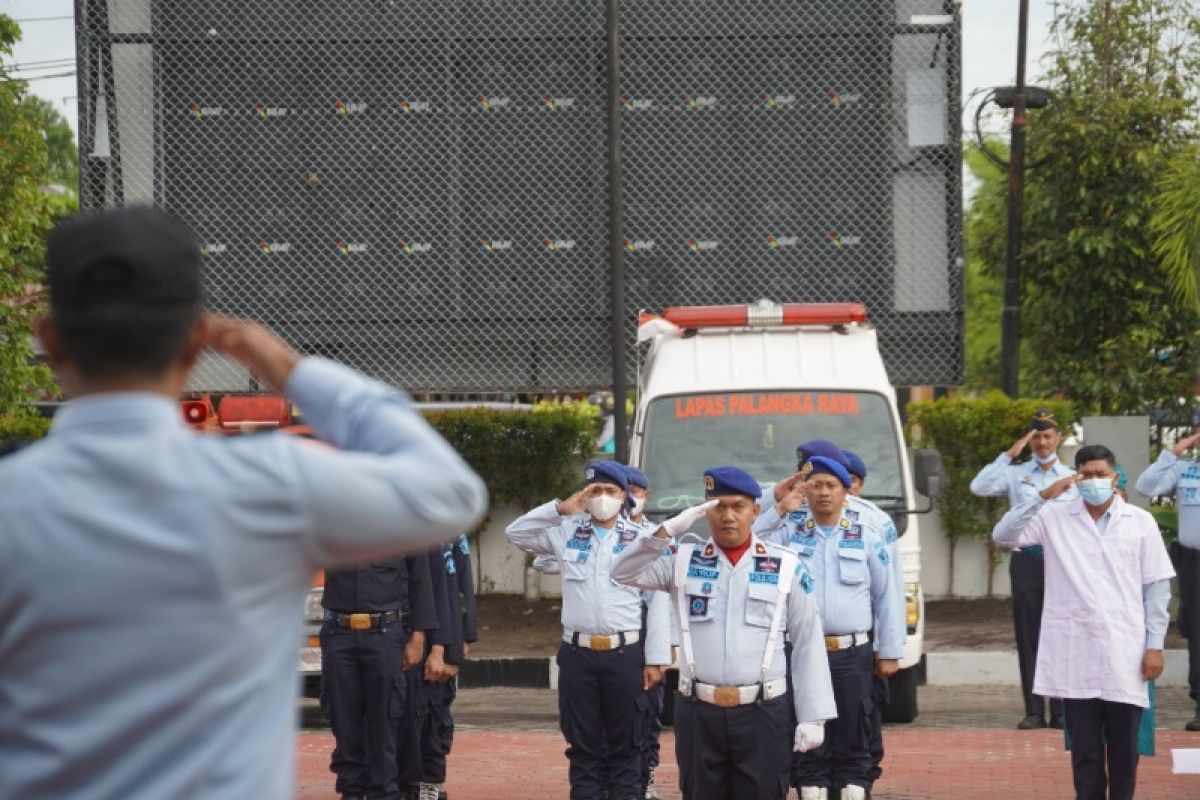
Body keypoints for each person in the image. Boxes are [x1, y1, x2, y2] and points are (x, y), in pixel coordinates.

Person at [0, 206, 488, 799]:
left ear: (49, 341)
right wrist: (288, 367)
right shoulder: (268, 485)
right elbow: (451, 492)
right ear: (193, 344)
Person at [611, 465, 836, 800]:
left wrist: (813, 716)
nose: (728, 516)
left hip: (763, 712)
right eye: (718, 507)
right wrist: (666, 531)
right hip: (699, 712)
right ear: (704, 512)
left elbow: (807, 641)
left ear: (755, 511)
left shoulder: (784, 565)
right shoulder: (682, 560)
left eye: (738, 506)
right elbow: (622, 572)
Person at [993, 444, 1173, 800]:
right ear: (1075, 477)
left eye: (1100, 475)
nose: (1094, 482)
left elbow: (1157, 588)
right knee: (1086, 754)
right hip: (1076, 655)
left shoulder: (1140, 522)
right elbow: (1004, 536)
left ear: (1115, 476)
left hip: (1126, 653)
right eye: (1086, 475)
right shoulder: (1054, 517)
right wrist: (1044, 496)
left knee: (1125, 752)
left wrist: (1155, 645)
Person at [506, 460, 671, 800]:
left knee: (627, 748)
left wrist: (656, 658)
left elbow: (658, 601)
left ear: (625, 496)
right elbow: (516, 534)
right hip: (578, 654)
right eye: (594, 491)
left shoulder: (641, 538)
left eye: (610, 491)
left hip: (626, 654)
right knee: (584, 749)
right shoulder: (568, 531)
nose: (602, 498)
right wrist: (559, 509)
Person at [755, 456, 904, 800]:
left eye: (831, 486)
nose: (823, 493)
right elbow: (752, 544)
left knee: (854, 730)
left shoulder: (866, 533)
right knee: (807, 734)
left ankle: (853, 790)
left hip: (852, 653)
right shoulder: (789, 529)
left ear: (845, 491)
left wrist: (890, 650)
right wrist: (779, 509)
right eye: (816, 485)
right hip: (803, 652)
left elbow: (888, 595)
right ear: (805, 489)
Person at [970, 409, 1075, 729]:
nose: (1042, 442)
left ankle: (1059, 709)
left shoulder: (1070, 475)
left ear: (1058, 438)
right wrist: (1008, 454)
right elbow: (979, 486)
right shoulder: (1017, 473)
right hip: (1027, 558)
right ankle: (1033, 709)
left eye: (1048, 436)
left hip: (1062, 559)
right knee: (1028, 634)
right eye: (1037, 436)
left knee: (1059, 632)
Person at [322, 552, 437, 800]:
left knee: (385, 724)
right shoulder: (329, 517)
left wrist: (418, 636)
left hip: (384, 634)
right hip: (338, 633)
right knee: (344, 722)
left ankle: (383, 793)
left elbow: (420, 579)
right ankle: (351, 792)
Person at [401, 534, 478, 800]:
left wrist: (453, 646)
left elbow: (458, 587)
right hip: (400, 636)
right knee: (404, 720)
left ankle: (428, 787)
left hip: (437, 640)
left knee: (432, 721)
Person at [1136, 429, 1200, 731]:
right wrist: (1174, 451)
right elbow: (1145, 485)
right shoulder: (1185, 469)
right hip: (1193, 562)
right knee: (1197, 633)